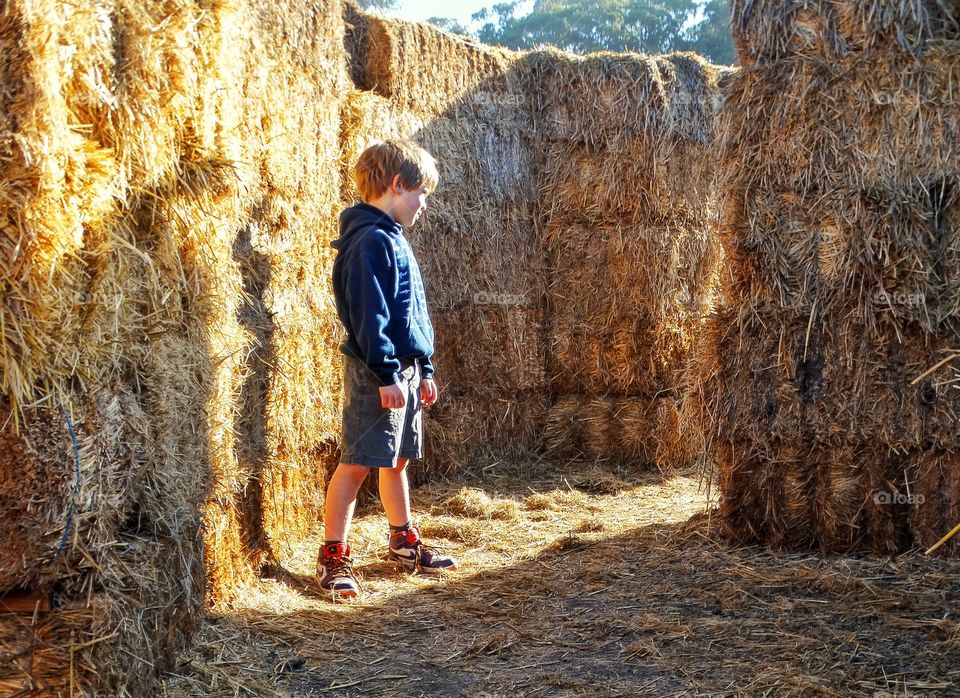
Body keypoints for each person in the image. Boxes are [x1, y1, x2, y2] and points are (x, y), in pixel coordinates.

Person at [317, 139, 457, 599]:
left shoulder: (393, 239)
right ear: (398, 185)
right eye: (422, 194)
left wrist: (426, 368)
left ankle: (402, 538)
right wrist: (386, 373)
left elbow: (412, 313)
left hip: (405, 369)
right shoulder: (369, 242)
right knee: (357, 463)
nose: (424, 204)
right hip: (378, 375)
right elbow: (368, 316)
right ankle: (333, 555)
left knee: (396, 460)